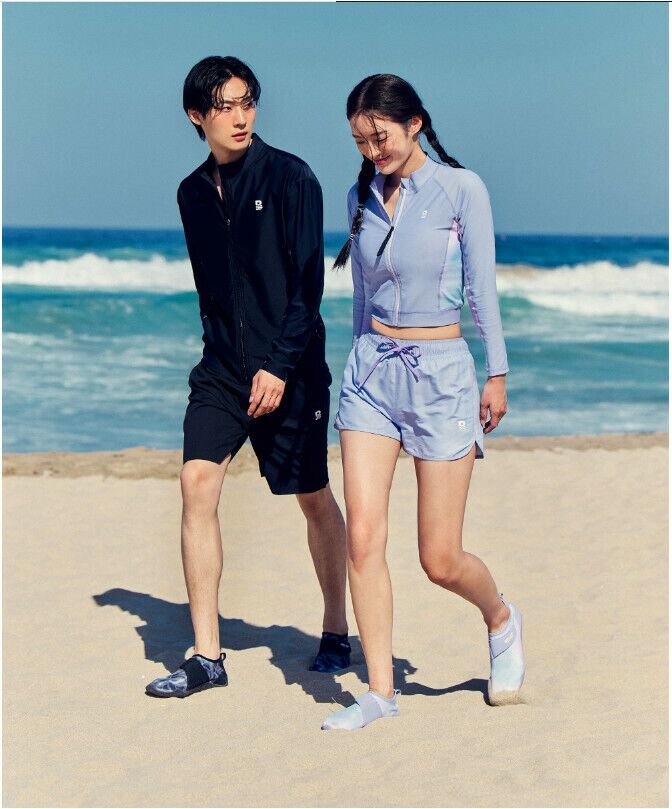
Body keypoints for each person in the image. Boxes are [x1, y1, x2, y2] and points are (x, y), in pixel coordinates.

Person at [321, 74, 525, 730]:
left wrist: (496, 372)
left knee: (439, 558)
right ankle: (380, 692)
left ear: (413, 124)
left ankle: (500, 618)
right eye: (360, 141)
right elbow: (361, 294)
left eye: (379, 136)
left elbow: (481, 286)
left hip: (441, 378)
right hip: (370, 377)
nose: (372, 150)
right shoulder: (361, 195)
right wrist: (353, 362)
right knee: (363, 536)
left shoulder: (462, 190)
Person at [146, 56, 350, 698]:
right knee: (196, 483)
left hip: (291, 365)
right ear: (196, 116)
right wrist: (226, 359)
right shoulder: (190, 193)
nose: (240, 117)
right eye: (225, 106)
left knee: (312, 495)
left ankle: (336, 627)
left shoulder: (292, 177)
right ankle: (207, 656)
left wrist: (278, 367)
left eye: (248, 103)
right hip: (222, 370)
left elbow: (307, 290)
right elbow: (211, 288)